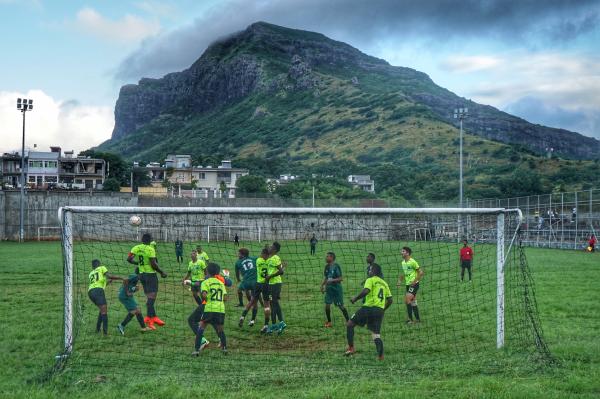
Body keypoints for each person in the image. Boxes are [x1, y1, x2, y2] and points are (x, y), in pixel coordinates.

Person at [345, 264, 392, 360]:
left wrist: (355, 298)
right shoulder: (384, 283)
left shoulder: (370, 279)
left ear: (373, 271)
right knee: (376, 335)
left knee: (350, 324)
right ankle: (381, 356)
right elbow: (390, 300)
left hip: (368, 308)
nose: (368, 271)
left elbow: (366, 290)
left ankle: (351, 348)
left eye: (370, 270)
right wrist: (382, 309)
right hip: (379, 311)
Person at [128, 233, 168, 330]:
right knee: (151, 298)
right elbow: (153, 264)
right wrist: (162, 272)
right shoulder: (150, 249)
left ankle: (153, 317)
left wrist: (137, 263)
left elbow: (129, 259)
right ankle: (149, 320)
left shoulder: (136, 248)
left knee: (149, 297)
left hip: (141, 276)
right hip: (150, 275)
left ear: (142, 239)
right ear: (150, 240)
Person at [192, 262, 228, 356]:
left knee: (201, 328)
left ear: (207, 271)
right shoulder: (221, 283)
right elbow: (225, 298)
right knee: (220, 329)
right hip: (220, 309)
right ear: (217, 272)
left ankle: (196, 350)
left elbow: (204, 295)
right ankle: (224, 349)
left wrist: (207, 298)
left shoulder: (205, 282)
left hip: (209, 309)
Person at [87, 259, 123, 335]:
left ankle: (97, 329)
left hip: (90, 292)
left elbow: (97, 284)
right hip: (98, 291)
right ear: (99, 264)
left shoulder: (91, 273)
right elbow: (109, 276)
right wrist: (121, 278)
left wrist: (107, 283)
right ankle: (105, 333)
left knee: (102, 309)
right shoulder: (102, 268)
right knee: (104, 311)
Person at [321, 252, 350, 327]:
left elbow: (340, 278)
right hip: (329, 289)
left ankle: (348, 321)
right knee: (327, 305)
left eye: (327, 256)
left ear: (332, 258)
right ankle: (329, 322)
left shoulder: (336, 266)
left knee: (341, 306)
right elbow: (326, 278)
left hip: (337, 289)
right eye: (326, 256)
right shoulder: (326, 267)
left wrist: (332, 280)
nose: (326, 258)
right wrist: (322, 285)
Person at [397, 246, 424, 324]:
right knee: (413, 301)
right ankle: (418, 320)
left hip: (414, 284)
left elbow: (421, 272)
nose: (401, 252)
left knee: (407, 299)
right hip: (408, 284)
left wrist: (414, 281)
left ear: (408, 253)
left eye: (403, 251)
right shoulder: (403, 263)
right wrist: (399, 281)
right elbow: (404, 274)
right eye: (401, 251)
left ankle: (410, 320)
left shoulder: (413, 261)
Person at [250, 247, 272, 333]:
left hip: (259, 284)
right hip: (267, 284)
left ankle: (253, 320)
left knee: (255, 301)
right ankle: (266, 324)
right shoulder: (270, 261)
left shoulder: (258, 260)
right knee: (267, 304)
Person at [266, 242, 286, 334]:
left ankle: (280, 323)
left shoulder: (275, 258)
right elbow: (279, 268)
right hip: (272, 284)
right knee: (273, 303)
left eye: (271, 247)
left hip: (275, 284)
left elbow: (281, 271)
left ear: (274, 250)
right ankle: (276, 324)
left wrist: (270, 276)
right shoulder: (271, 258)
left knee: (274, 303)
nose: (269, 248)